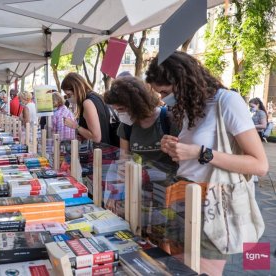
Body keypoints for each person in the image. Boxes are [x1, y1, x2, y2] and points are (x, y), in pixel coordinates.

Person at [145, 51, 268, 275]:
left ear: (182, 81)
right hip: (182, 197)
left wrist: (201, 153)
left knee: (202, 270)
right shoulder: (191, 106)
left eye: (165, 91)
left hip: (212, 203)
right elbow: (193, 158)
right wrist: (173, 148)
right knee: (179, 268)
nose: (163, 99)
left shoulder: (227, 101)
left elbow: (259, 165)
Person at [104, 76, 177, 167]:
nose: (119, 114)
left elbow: (181, 159)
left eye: (121, 109)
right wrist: (122, 168)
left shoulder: (168, 119)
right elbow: (124, 159)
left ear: (136, 104)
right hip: (138, 178)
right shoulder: (126, 125)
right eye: (116, 110)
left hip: (170, 180)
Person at [61, 72, 111, 144]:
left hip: (98, 151)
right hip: (104, 149)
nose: (68, 98)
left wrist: (75, 126)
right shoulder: (97, 97)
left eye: (69, 95)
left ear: (77, 89)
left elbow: (96, 137)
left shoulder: (87, 103)